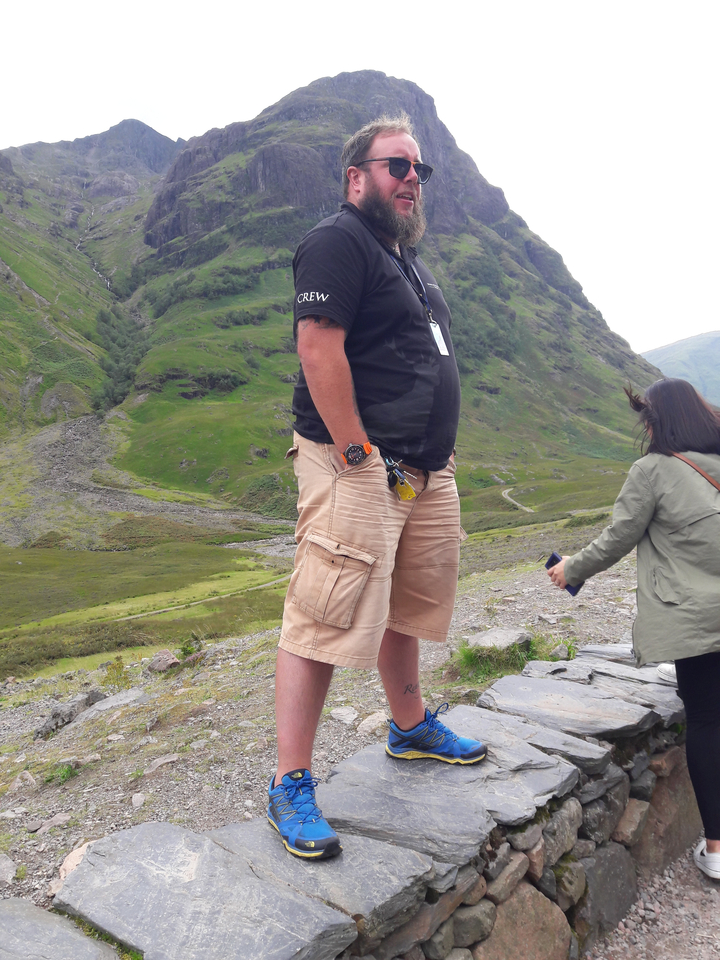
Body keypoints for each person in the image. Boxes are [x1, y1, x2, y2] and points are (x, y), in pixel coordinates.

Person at [267, 114, 487, 860]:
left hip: (423, 468)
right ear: (357, 175)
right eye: (398, 165)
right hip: (358, 462)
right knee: (323, 612)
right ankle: (289, 782)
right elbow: (318, 347)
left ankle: (409, 726)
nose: (412, 179)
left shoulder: (407, 258)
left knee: (409, 601)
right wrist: (359, 453)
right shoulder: (339, 240)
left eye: (420, 169)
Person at [548, 378, 720, 881]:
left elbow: (618, 536)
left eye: (645, 417)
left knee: (708, 722)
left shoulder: (653, 470)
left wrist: (570, 569)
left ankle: (716, 849)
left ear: (657, 421)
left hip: (699, 621)